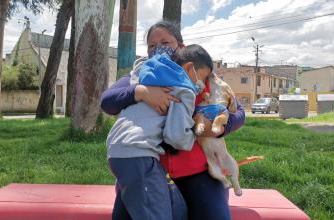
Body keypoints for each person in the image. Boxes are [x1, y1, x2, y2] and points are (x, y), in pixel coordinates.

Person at [101, 20, 245, 220]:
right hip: (149, 167)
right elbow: (107, 101)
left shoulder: (200, 74)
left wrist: (217, 128)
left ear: (181, 46)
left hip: (198, 171)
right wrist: (141, 92)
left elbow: (239, 112)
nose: (158, 49)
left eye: (165, 43)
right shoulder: (142, 73)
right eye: (152, 45)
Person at [106, 44, 214, 220]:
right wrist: (194, 132)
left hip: (118, 150)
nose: (201, 85)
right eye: (202, 78)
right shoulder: (184, 90)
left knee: (167, 207)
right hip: (139, 153)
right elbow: (176, 137)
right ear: (188, 68)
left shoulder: (148, 75)